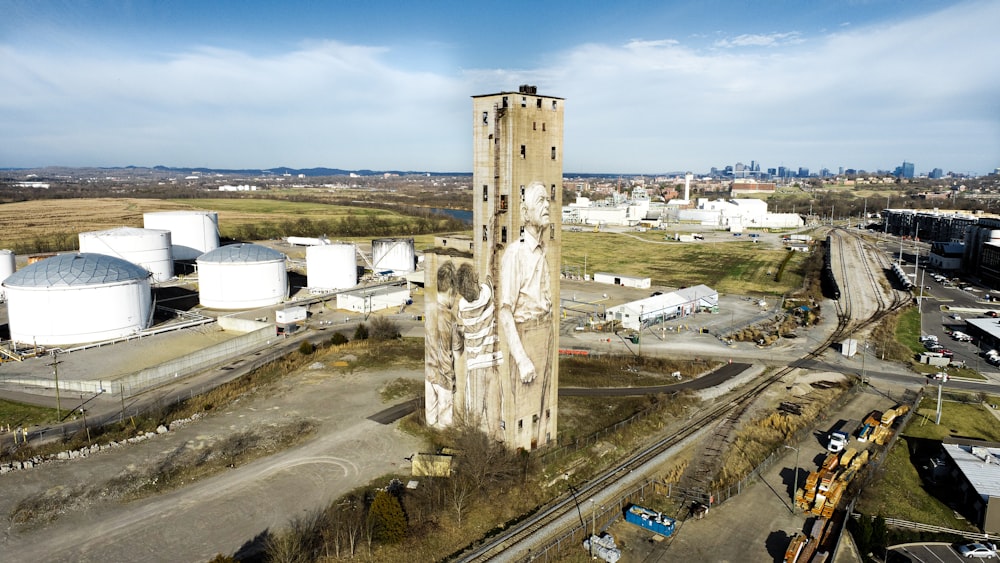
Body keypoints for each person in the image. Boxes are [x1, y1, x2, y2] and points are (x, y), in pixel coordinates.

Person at [498, 182, 554, 446]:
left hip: (545, 333)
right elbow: (505, 311)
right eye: (541, 200)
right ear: (524, 211)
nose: (547, 206)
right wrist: (521, 359)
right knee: (524, 409)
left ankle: (540, 455)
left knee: (543, 409)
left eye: (548, 201)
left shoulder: (542, 252)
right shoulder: (515, 254)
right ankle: (521, 460)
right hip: (526, 335)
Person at [455, 262, 503, 438]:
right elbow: (489, 282)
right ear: (475, 280)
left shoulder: (462, 306)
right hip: (493, 362)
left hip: (475, 365)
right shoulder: (487, 295)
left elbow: (460, 316)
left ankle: (474, 443)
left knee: (474, 412)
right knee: (494, 409)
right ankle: (496, 439)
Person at [425, 261, 459, 428]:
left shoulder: (429, 309)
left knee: (430, 423)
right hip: (444, 377)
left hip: (429, 374)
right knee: (445, 427)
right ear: (451, 290)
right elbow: (458, 349)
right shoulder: (450, 318)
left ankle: (430, 445)